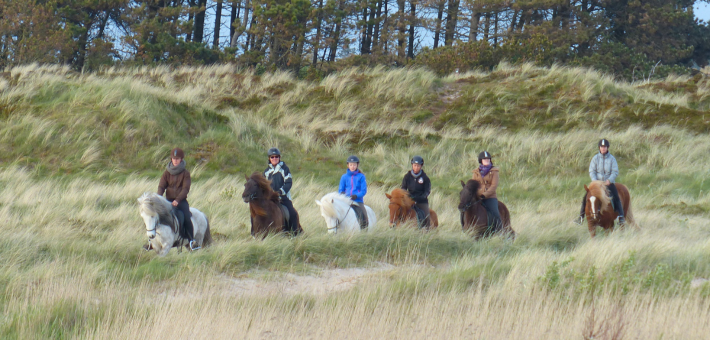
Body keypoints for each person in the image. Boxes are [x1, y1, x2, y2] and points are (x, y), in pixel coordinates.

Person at [575, 139, 625, 225]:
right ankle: (581, 217)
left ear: (607, 147)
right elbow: (592, 171)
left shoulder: (612, 159)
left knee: (616, 196)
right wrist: (595, 181)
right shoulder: (595, 158)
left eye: (605, 147)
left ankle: (621, 216)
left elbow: (615, 171)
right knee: (585, 197)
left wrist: (609, 180)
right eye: (602, 147)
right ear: (599, 148)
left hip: (608, 183)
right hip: (597, 184)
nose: (603, 148)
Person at [158, 148, 199, 251]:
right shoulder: (166, 173)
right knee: (155, 216)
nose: (175, 160)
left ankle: (191, 241)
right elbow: (161, 186)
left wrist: (178, 200)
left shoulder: (185, 173)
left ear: (181, 159)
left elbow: (186, 189)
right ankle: (152, 241)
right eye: (173, 158)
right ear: (171, 159)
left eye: (177, 158)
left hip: (181, 201)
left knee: (186, 218)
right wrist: (159, 197)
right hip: (168, 201)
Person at [264, 147, 300, 235]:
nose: (274, 158)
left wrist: (280, 192)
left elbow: (288, 182)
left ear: (279, 157)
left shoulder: (285, 169)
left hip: (283, 198)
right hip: (270, 199)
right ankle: (256, 233)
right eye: (272, 157)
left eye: (276, 156)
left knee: (292, 213)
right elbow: (264, 186)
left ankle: (295, 233)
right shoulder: (266, 172)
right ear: (269, 158)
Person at [472, 151, 502, 233]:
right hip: (477, 196)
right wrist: (476, 195)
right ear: (480, 160)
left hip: (490, 197)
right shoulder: (475, 172)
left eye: (488, 159)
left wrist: (484, 195)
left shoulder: (494, 171)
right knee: (466, 209)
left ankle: (499, 230)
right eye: (484, 159)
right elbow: (473, 184)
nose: (487, 160)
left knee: (495, 213)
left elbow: (494, 186)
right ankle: (465, 227)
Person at [401, 156, 432, 228]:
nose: (416, 167)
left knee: (427, 217)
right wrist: (407, 197)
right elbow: (403, 188)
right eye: (415, 165)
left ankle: (427, 231)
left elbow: (427, 191)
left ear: (421, 166)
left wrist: (419, 198)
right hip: (409, 200)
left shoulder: (425, 178)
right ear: (412, 165)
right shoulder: (407, 177)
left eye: (418, 166)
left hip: (421, 201)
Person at [339, 155, 368, 228]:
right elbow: (340, 189)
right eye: (351, 165)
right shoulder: (344, 177)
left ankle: (364, 229)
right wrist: (342, 194)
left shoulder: (361, 176)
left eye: (354, 165)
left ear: (357, 165)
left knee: (364, 216)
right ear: (348, 165)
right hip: (346, 200)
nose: (352, 166)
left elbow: (363, 191)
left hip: (357, 200)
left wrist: (356, 195)